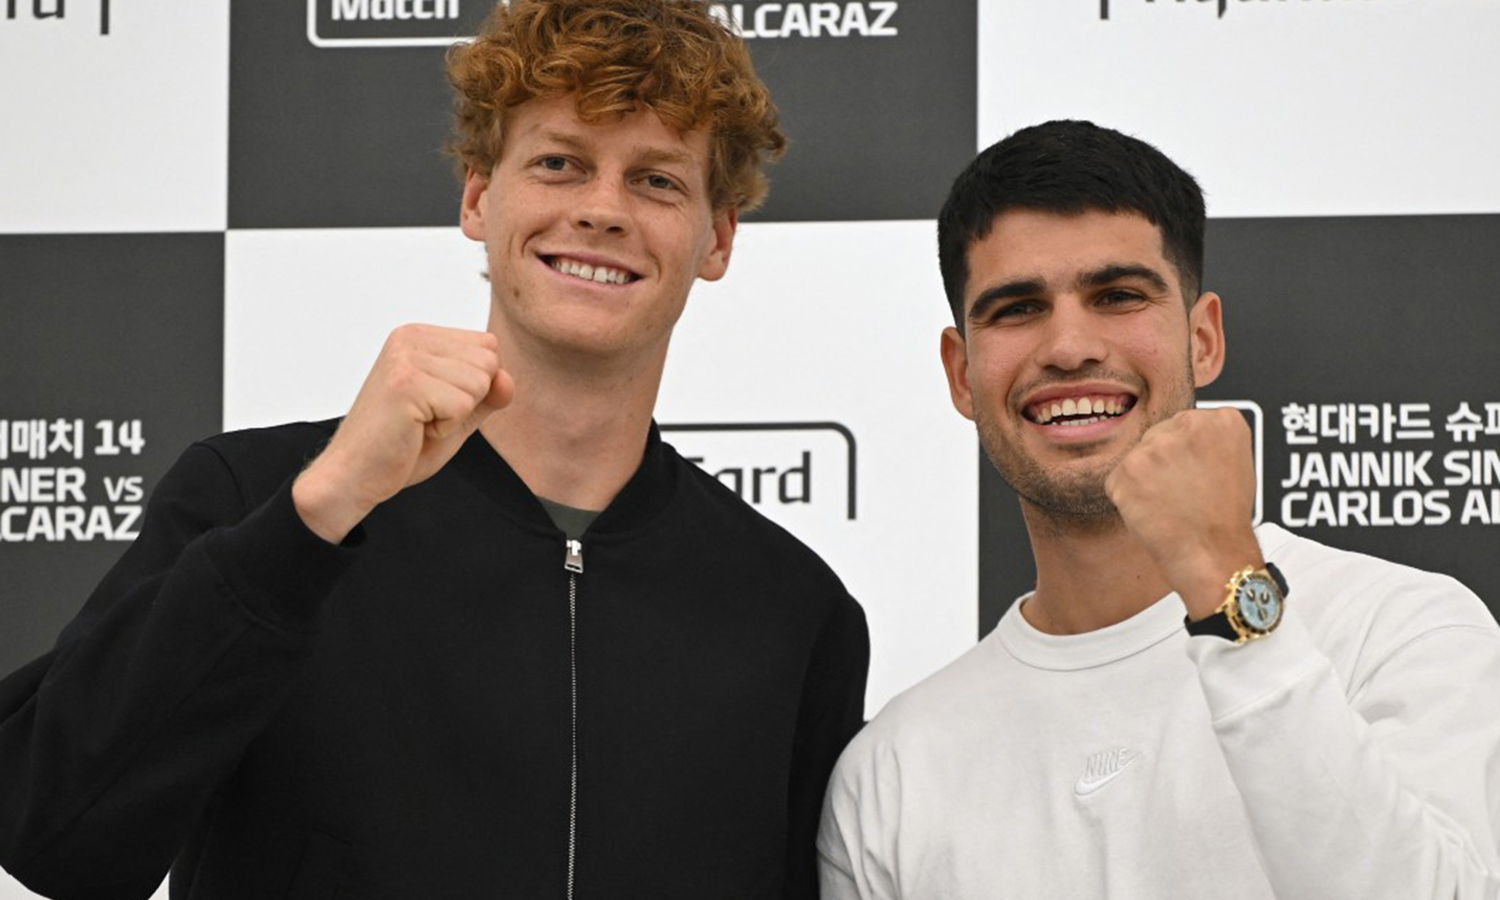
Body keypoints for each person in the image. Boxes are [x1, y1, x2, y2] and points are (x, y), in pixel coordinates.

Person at [0, 2, 869, 897]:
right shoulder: (254, 503)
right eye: (560, 163)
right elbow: (54, 837)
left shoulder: (794, 611)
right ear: (478, 198)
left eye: (655, 180)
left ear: (716, 238)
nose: (603, 210)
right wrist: (314, 518)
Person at [817, 120, 1500, 899]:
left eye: (1117, 296)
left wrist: (1226, 586)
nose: (1069, 346)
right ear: (960, 373)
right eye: (1017, 308)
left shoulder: (1403, 632)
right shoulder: (892, 773)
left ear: (1202, 339)